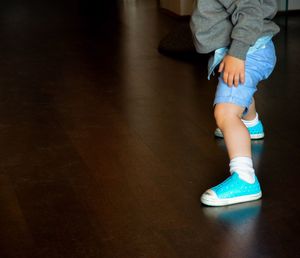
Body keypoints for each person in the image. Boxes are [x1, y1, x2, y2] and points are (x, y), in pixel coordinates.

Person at [190, 0, 280, 206]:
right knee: (239, 94)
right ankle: (251, 123)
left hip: (248, 52)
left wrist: (237, 54)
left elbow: (250, 10)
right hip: (250, 48)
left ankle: (245, 179)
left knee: (226, 113)